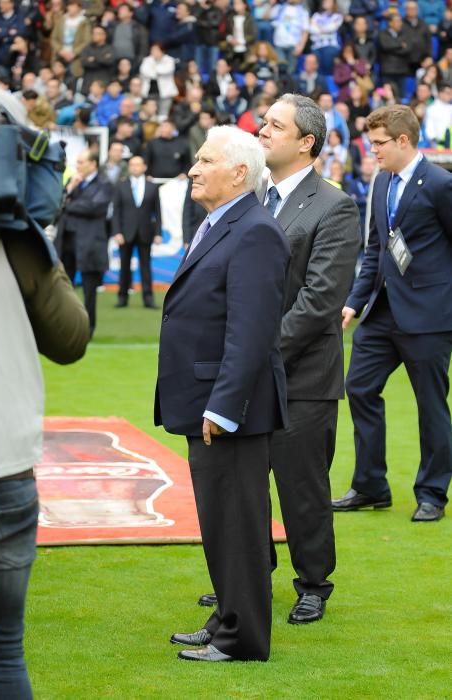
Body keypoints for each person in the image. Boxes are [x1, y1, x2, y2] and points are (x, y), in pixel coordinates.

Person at [156, 125, 290, 662]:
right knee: (219, 522)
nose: (193, 168)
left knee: (238, 525)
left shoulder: (254, 230)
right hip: (210, 403)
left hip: (230, 409)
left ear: (239, 173)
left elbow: (251, 330)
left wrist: (223, 404)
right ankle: (225, 618)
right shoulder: (222, 222)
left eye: (205, 160)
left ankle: (243, 638)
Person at [0, 87, 89, 700]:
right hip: (4, 465)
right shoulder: (17, 242)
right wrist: (36, 241)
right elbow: (72, 337)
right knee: (1, 653)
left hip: (6, 469)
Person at [256, 94, 359, 624]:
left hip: (303, 378)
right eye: (264, 121)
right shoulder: (253, 196)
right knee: (247, 487)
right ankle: (250, 574)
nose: (262, 129)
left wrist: (256, 353)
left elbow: (319, 302)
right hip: (247, 374)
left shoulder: (334, 206)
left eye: (275, 124)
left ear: (306, 142)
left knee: (302, 490)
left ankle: (314, 584)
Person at [332, 105, 452, 522]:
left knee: (430, 405)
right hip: (382, 312)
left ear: (404, 141)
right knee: (360, 388)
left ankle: (432, 493)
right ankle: (370, 486)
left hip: (429, 316)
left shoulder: (440, 184)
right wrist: (354, 300)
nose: (372, 150)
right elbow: (375, 249)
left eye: (379, 143)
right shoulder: (381, 182)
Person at [57, 149, 113, 338]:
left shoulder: (104, 184)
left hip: (89, 244)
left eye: (81, 162)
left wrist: (68, 205)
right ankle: (66, 327)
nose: (77, 166)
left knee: (90, 291)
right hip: (67, 242)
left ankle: (87, 331)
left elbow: (93, 207)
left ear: (93, 164)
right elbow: (58, 202)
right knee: (65, 288)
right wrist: (70, 188)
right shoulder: (74, 183)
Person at [112, 155, 162, 310]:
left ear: (144, 167)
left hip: (145, 232)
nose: (134, 167)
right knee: (124, 267)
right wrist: (117, 232)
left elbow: (157, 212)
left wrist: (158, 233)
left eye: (137, 165)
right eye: (132, 165)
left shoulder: (152, 186)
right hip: (125, 232)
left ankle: (148, 299)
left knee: (145, 267)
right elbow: (116, 211)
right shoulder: (121, 186)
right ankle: (122, 297)